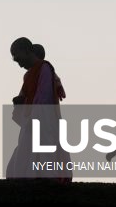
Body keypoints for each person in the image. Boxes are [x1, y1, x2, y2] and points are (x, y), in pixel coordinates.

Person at [6, 37, 71, 181]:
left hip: (43, 119)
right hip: (32, 118)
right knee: (25, 151)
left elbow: (44, 97)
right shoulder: (28, 75)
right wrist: (20, 102)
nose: (18, 62)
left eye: (18, 57)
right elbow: (25, 96)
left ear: (27, 51)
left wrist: (35, 118)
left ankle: (49, 181)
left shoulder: (45, 68)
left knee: (45, 150)